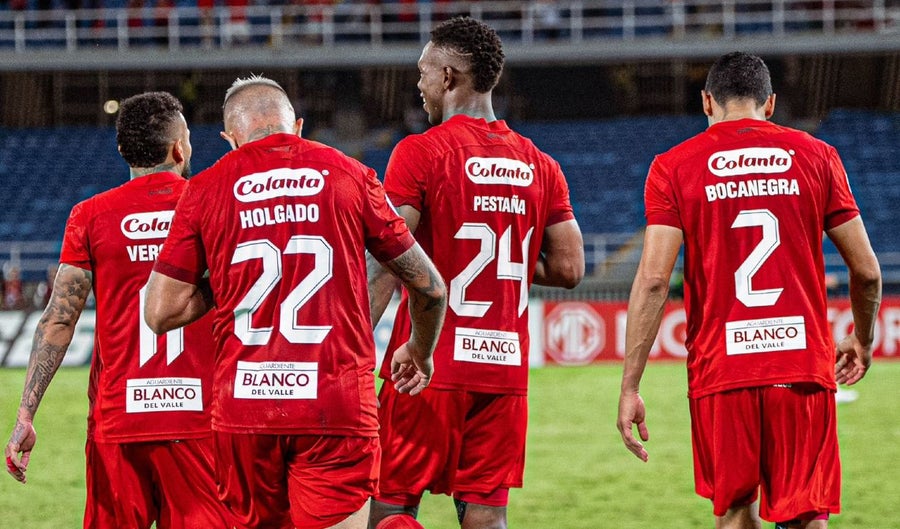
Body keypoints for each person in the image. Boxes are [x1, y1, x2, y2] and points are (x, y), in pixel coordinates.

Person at [143, 75, 447, 529]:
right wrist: (420, 350)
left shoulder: (205, 188)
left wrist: (229, 277)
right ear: (298, 126)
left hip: (245, 407)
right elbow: (431, 287)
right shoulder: (350, 174)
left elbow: (160, 311)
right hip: (335, 403)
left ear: (230, 138)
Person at [617, 51, 882, 529]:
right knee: (807, 515)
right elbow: (866, 273)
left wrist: (631, 385)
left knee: (737, 513)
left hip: (722, 369)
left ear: (706, 102)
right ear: (770, 103)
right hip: (800, 365)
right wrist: (862, 339)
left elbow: (654, 281)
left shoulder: (673, 167)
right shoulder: (817, 156)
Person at [367, 16, 584, 529]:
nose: (419, 84)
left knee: (391, 506)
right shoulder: (541, 165)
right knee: (487, 516)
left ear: (447, 77)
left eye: (423, 72)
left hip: (424, 364)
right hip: (503, 370)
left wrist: (351, 357)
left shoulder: (420, 152)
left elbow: (387, 262)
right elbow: (569, 268)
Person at [5, 92, 228, 528]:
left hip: (119, 421)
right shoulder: (214, 205)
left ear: (123, 150)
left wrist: (26, 414)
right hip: (200, 421)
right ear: (179, 149)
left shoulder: (91, 215)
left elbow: (59, 319)